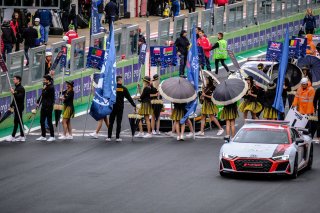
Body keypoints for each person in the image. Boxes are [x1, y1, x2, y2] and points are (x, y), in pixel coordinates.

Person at [106, 76, 136, 142]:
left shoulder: (113, 88)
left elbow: (107, 96)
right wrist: (134, 105)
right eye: (121, 80)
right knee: (118, 122)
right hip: (120, 107)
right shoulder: (124, 89)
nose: (122, 81)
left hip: (113, 107)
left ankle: (109, 137)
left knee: (111, 122)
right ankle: (117, 137)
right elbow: (129, 98)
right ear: (119, 81)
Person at [6, 75, 25, 142]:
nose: (13, 80)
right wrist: (11, 105)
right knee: (18, 121)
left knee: (18, 121)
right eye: (13, 79)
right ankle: (21, 136)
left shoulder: (21, 88)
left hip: (19, 107)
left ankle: (14, 136)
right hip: (16, 106)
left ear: (18, 80)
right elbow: (15, 99)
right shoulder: (17, 88)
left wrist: (13, 93)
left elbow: (19, 97)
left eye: (14, 79)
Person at [36, 75, 55, 142]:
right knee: (41, 121)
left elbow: (45, 94)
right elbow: (42, 96)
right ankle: (43, 135)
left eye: (45, 80)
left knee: (49, 121)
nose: (44, 81)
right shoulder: (45, 87)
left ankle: (52, 136)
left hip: (49, 106)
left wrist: (43, 89)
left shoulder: (51, 87)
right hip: (44, 105)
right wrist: (38, 102)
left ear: (48, 80)